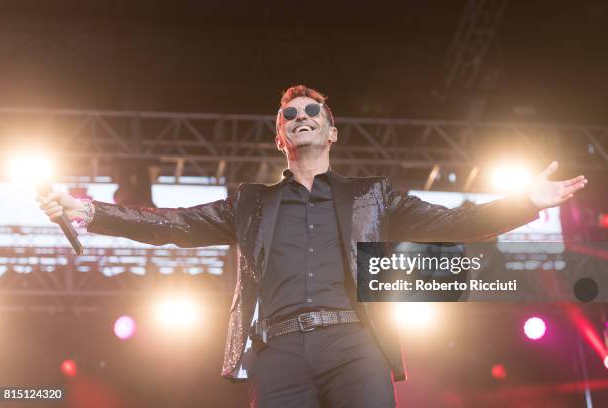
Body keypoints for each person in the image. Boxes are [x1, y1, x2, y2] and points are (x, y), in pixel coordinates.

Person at [37, 85, 587, 407]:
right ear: (281, 136)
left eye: (310, 112)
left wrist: (525, 201)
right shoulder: (251, 202)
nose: (300, 118)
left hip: (354, 343)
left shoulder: (371, 196)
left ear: (332, 130)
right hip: (280, 351)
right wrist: (88, 211)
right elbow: (173, 224)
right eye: (289, 115)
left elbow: (458, 221)